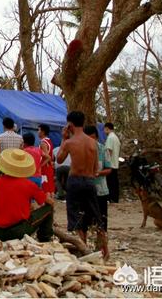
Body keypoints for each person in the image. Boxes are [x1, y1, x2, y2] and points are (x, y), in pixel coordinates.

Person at [57, 111, 107, 258]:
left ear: (70, 125)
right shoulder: (93, 143)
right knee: (95, 215)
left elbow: (59, 159)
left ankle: (83, 247)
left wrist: (63, 138)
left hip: (75, 180)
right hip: (90, 180)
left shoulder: (69, 142)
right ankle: (105, 249)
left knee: (75, 216)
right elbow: (95, 168)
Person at [0, 149, 54, 242]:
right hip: (17, 231)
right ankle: (44, 238)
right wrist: (49, 197)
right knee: (49, 209)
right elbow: (47, 201)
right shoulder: (29, 184)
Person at [84, 125, 112, 236]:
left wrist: (98, 173)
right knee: (87, 218)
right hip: (86, 190)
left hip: (101, 190)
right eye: (89, 138)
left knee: (101, 218)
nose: (92, 141)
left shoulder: (103, 149)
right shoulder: (81, 150)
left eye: (93, 138)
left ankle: (102, 238)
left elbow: (109, 169)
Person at [104, 122, 121, 203]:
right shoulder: (116, 138)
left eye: (104, 129)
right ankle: (115, 198)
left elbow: (109, 150)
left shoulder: (110, 138)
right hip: (115, 163)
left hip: (110, 163)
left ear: (107, 128)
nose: (104, 131)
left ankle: (111, 198)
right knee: (114, 182)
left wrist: (105, 161)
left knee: (110, 182)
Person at [38, 124, 55, 194]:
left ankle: (48, 203)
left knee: (45, 186)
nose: (37, 132)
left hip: (45, 167)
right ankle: (50, 203)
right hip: (49, 166)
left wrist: (41, 165)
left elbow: (48, 157)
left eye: (38, 130)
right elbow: (52, 156)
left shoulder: (43, 142)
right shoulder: (49, 141)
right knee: (50, 186)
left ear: (43, 132)